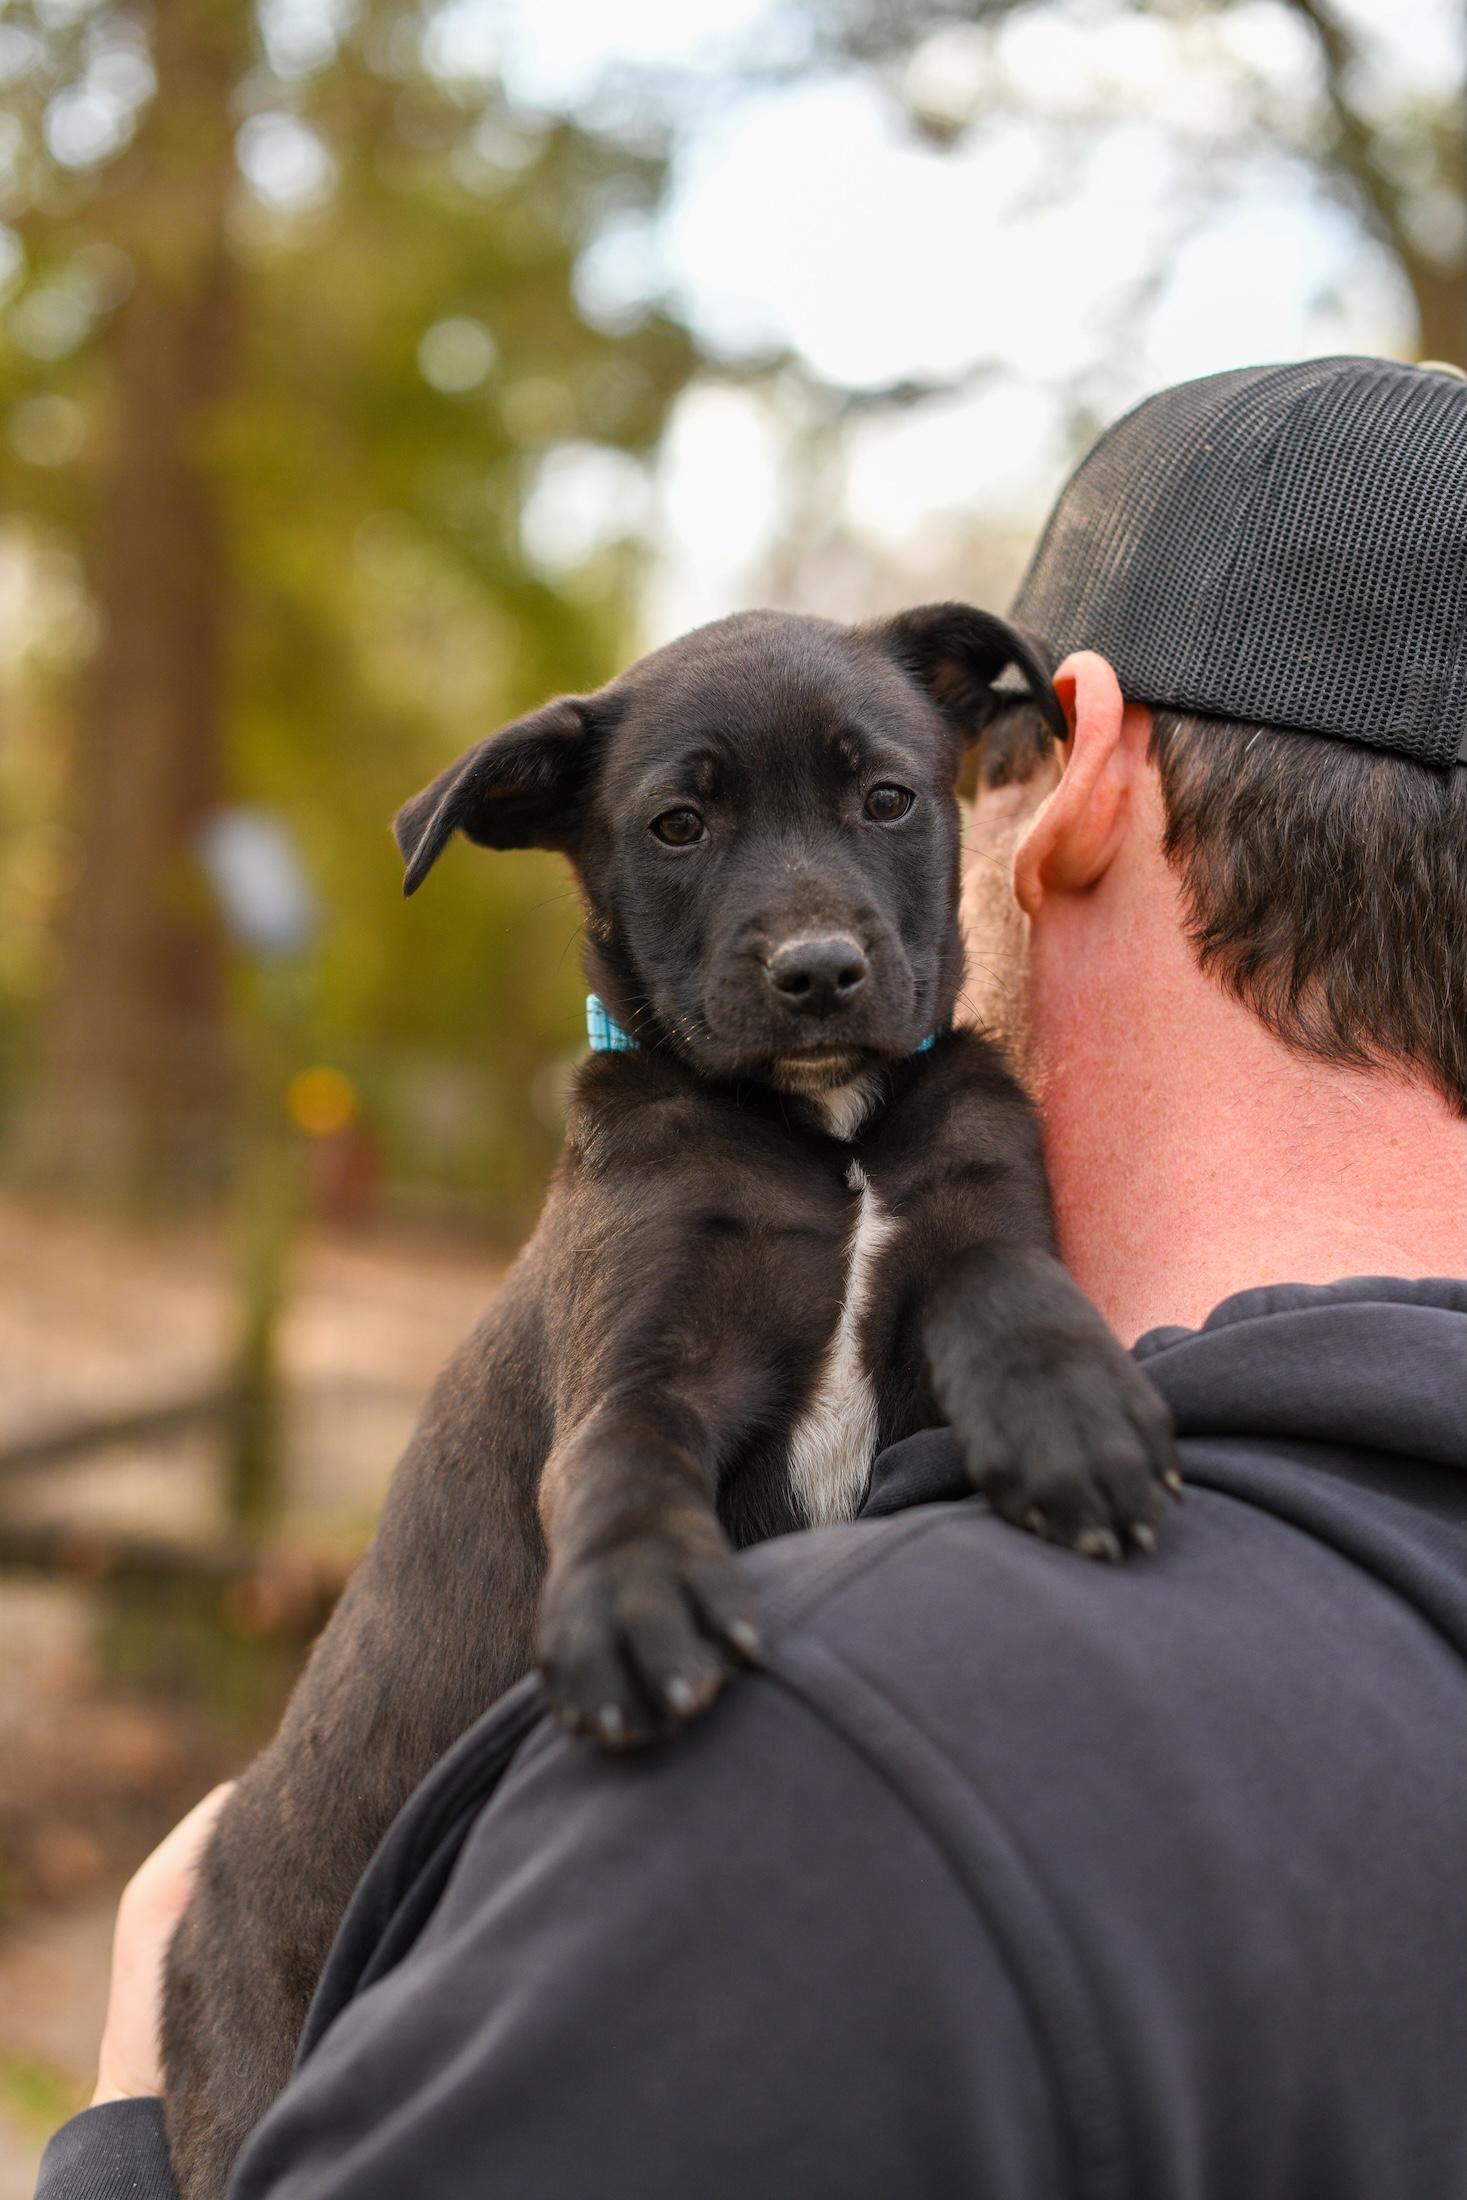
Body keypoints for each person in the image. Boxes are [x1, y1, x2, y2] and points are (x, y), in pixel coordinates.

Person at [38, 356, 1467, 2200]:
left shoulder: (834, 1770)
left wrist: (113, 2143)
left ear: (1077, 774)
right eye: (693, 829)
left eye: (901, 801)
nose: (812, 927)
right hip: (301, 1956)